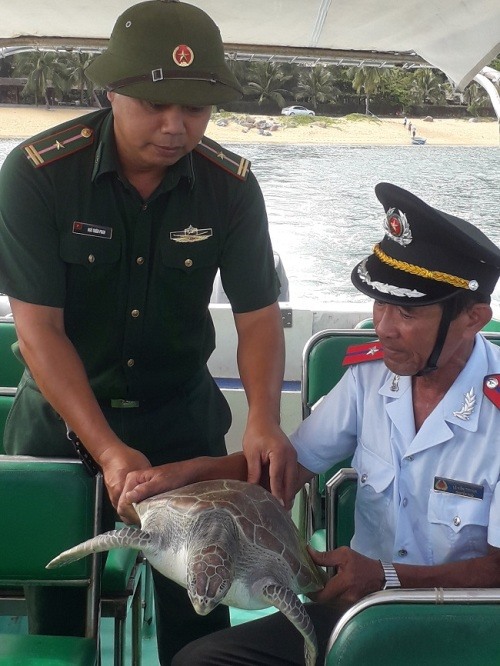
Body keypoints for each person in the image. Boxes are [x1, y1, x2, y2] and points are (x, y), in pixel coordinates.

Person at [0, 1, 295, 661]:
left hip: (181, 427)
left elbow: (258, 317)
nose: (175, 126)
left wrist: (264, 421)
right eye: (156, 105)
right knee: (58, 619)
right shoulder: (37, 173)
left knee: (202, 625)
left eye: (195, 109)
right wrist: (107, 451)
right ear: (113, 92)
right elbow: (38, 331)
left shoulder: (231, 189)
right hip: (64, 429)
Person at [118, 182, 500, 665]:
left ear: (474, 318)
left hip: (469, 628)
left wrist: (389, 576)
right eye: (379, 303)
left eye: (406, 311)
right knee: (200, 661)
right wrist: (186, 475)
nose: (382, 327)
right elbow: (286, 468)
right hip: (360, 611)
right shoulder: (370, 376)